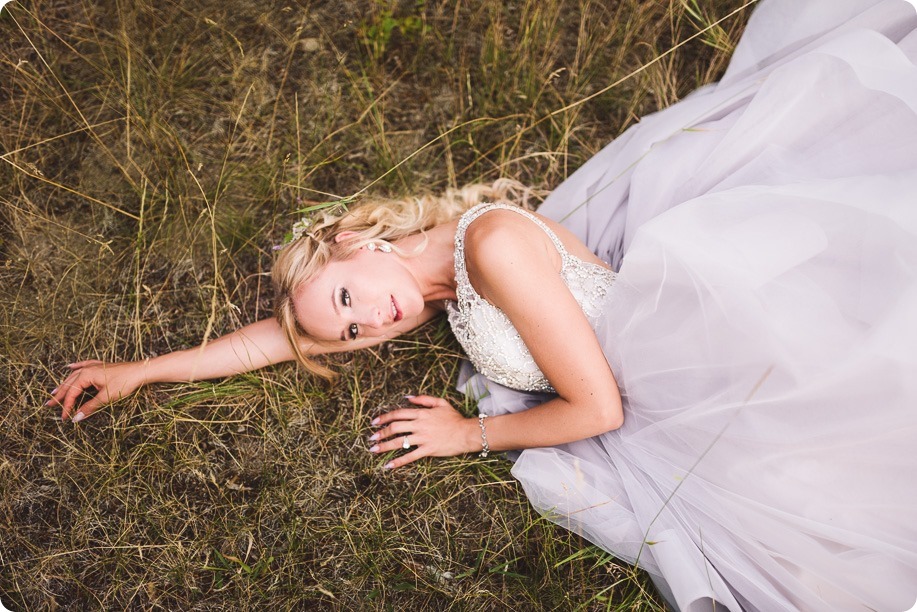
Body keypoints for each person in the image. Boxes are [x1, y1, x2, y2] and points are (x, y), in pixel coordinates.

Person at [48, 0, 917, 609]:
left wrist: (471, 434)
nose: (368, 323)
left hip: (686, 370)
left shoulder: (491, 247)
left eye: (349, 296)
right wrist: (142, 370)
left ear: (362, 239)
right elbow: (271, 341)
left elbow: (599, 407)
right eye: (347, 332)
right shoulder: (435, 274)